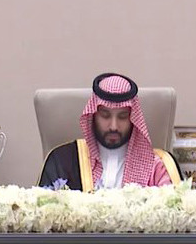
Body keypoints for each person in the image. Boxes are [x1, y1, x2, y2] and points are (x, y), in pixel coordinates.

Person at [38, 73, 181, 191]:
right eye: (105, 115)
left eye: (122, 116)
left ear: (133, 119)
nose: (113, 126)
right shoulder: (62, 160)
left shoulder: (159, 167)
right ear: (93, 115)